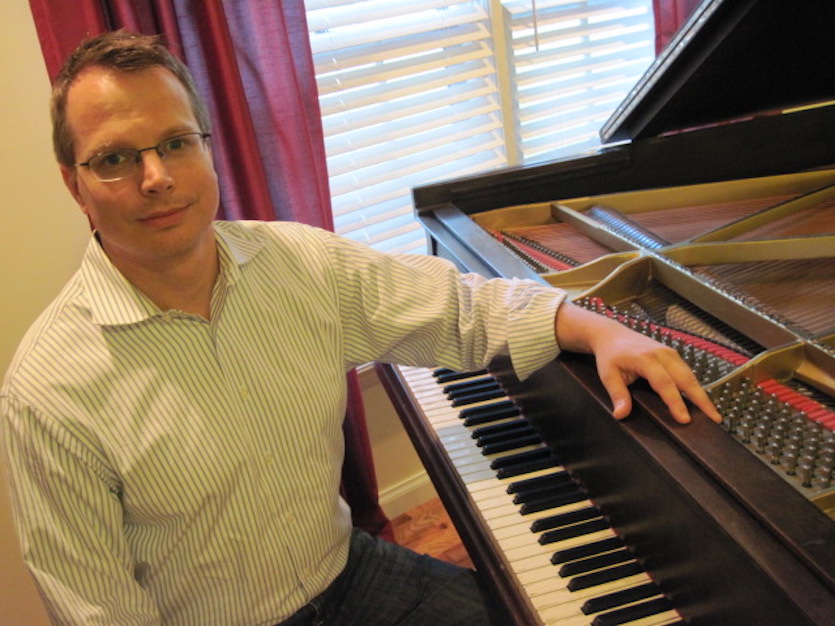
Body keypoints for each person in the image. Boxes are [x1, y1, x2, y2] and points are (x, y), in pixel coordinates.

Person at [1, 30, 721, 626]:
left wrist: (589, 325)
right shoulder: (48, 390)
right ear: (75, 184)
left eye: (175, 143)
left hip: (351, 575)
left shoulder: (298, 263)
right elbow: (97, 610)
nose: (156, 177)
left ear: (206, 147)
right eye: (117, 159)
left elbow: (456, 307)